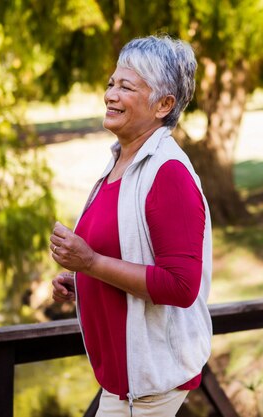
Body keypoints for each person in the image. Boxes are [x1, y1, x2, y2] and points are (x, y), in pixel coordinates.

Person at [49, 35, 212, 416]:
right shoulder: (121, 163)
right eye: (110, 83)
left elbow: (181, 285)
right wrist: (82, 278)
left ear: (164, 104)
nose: (110, 94)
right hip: (124, 382)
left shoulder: (167, 172)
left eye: (126, 86)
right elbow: (130, 252)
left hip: (154, 379)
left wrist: (90, 264)